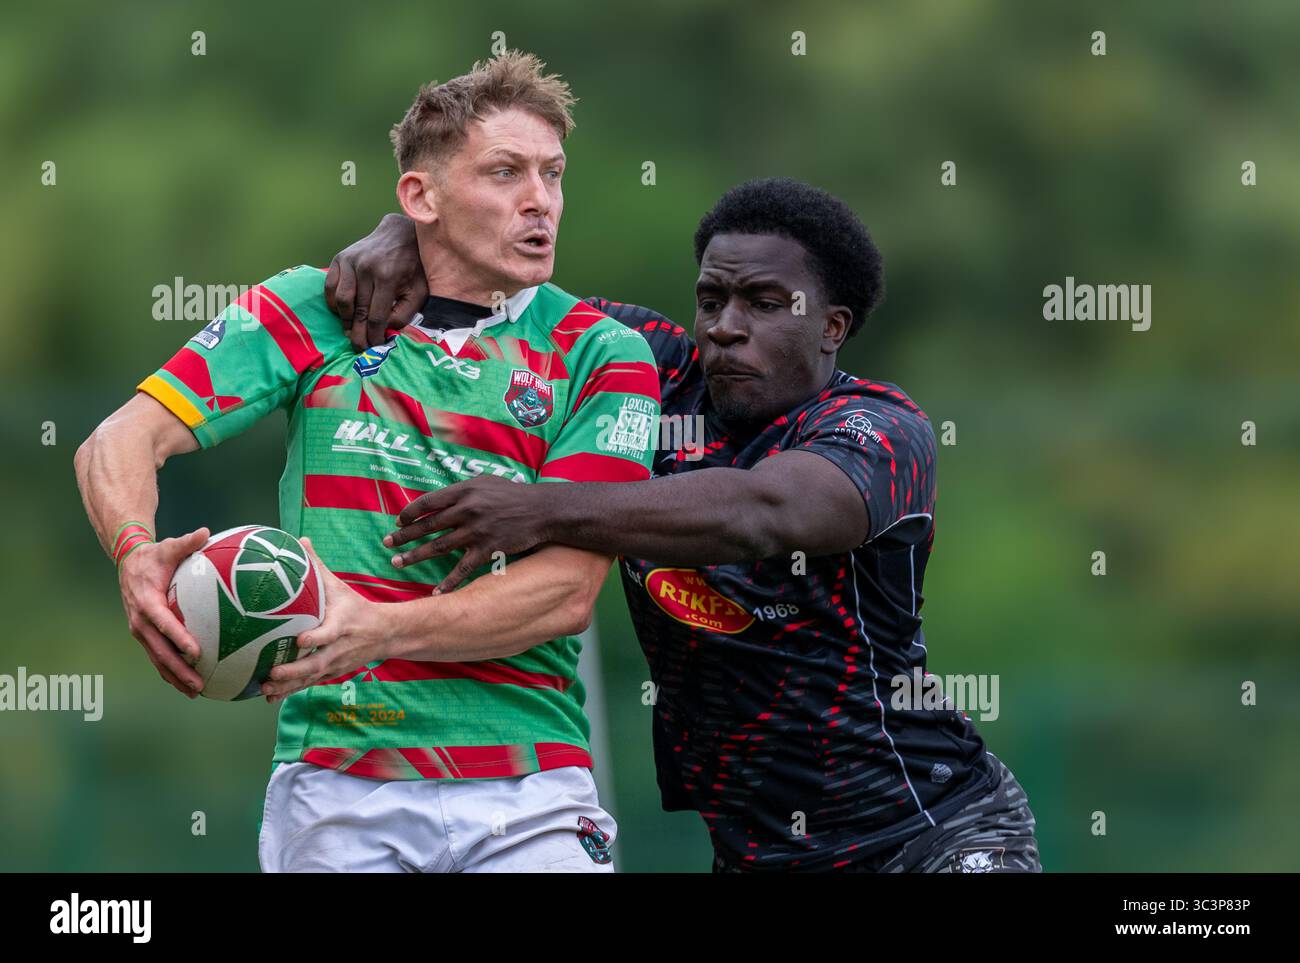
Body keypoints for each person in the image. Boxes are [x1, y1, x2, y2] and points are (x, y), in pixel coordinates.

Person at [325, 177, 1041, 872]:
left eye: (763, 303)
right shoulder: (646, 368)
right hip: (755, 852)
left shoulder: (882, 430)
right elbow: (498, 279)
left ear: (832, 326)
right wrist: (411, 236)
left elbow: (764, 513)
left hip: (928, 832)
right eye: (712, 299)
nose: (726, 327)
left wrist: (541, 506)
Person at [73, 52, 661, 873]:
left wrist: (380, 629)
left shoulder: (604, 352)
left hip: (531, 791)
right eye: (505, 172)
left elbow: (566, 591)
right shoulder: (311, 308)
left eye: (553, 174)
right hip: (339, 784)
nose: (541, 200)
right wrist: (137, 556)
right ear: (420, 197)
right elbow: (118, 439)